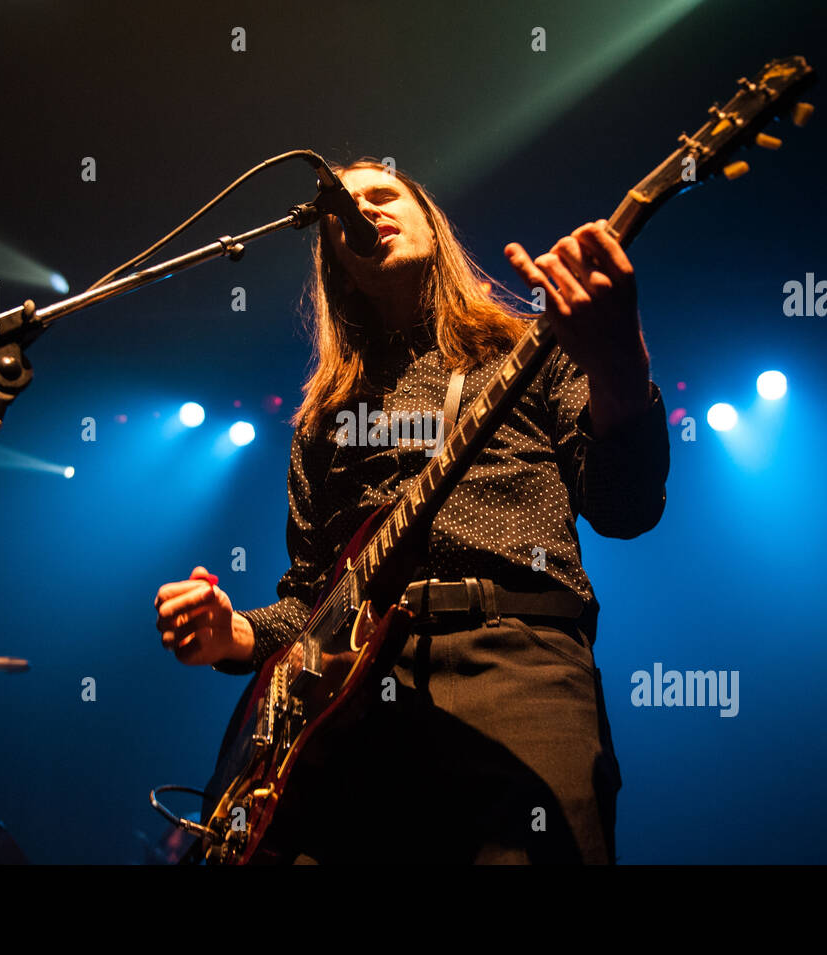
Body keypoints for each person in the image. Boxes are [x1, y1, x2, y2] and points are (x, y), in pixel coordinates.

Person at [154, 159, 669, 863]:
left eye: (382, 194)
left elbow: (626, 504)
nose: (364, 211)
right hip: (344, 717)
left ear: (433, 222)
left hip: (513, 665)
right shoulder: (323, 421)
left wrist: (617, 363)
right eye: (345, 210)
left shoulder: (530, 349)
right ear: (334, 258)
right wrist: (232, 632)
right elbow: (309, 603)